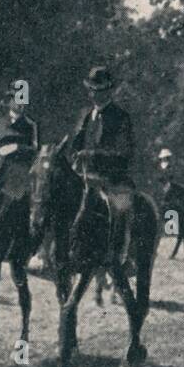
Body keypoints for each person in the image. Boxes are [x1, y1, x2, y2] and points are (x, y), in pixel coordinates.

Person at [67, 66, 136, 272]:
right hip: (84, 176)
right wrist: (74, 157)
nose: (93, 94)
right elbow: (75, 145)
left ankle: (122, 257)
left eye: (98, 90)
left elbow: (125, 153)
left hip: (111, 178)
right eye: (91, 89)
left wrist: (93, 155)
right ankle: (54, 252)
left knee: (121, 208)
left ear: (108, 91)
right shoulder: (86, 116)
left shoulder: (121, 117)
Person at [0, 86, 40, 205]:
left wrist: (16, 147)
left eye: (23, 100)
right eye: (18, 99)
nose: (21, 104)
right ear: (9, 102)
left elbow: (35, 149)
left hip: (20, 171)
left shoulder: (31, 125)